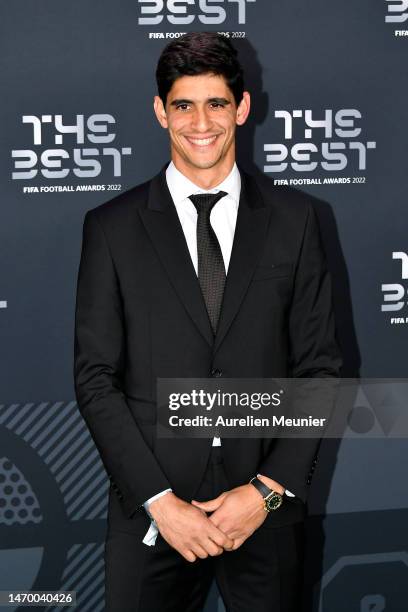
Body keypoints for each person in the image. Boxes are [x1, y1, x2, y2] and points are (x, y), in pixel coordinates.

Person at [74, 31, 342, 612]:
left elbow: (321, 368)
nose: (201, 122)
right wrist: (160, 502)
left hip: (264, 512)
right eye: (183, 105)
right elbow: (96, 379)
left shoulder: (297, 221)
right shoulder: (111, 228)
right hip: (153, 518)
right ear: (159, 111)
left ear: (242, 108)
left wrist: (266, 493)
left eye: (217, 103)